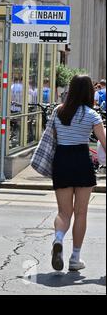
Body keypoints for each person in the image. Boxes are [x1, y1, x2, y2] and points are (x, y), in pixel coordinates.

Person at [51, 75, 106, 272]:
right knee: (81, 213)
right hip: (82, 161)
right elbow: (104, 143)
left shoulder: (58, 111)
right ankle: (75, 258)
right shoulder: (92, 115)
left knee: (63, 212)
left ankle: (58, 239)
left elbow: (53, 138)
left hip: (62, 161)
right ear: (89, 92)